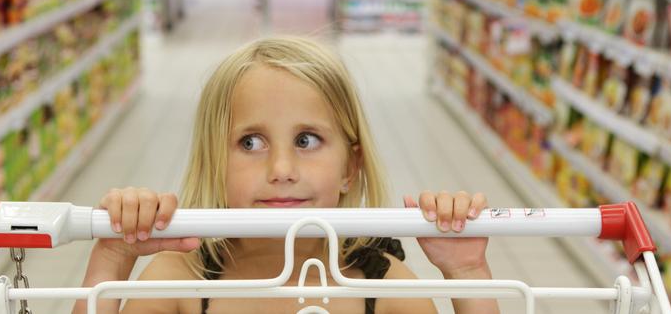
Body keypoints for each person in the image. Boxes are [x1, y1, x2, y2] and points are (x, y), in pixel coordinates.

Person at [74, 36, 500, 314]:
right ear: (214, 163)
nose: (281, 170)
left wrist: (465, 273)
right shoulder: (179, 281)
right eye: (250, 143)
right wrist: (113, 258)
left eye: (307, 140)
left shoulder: (383, 287)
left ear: (350, 167)